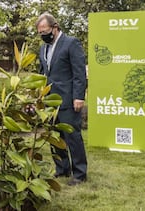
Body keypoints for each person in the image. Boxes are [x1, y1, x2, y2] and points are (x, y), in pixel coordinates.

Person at [36, 12, 88, 186]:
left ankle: (80, 173)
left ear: (55, 27)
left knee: (72, 136)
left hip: (68, 99)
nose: (43, 35)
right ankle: (62, 168)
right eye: (39, 32)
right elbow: (43, 73)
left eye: (44, 31)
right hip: (50, 100)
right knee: (54, 137)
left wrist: (79, 97)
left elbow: (79, 73)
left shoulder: (71, 43)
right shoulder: (43, 48)